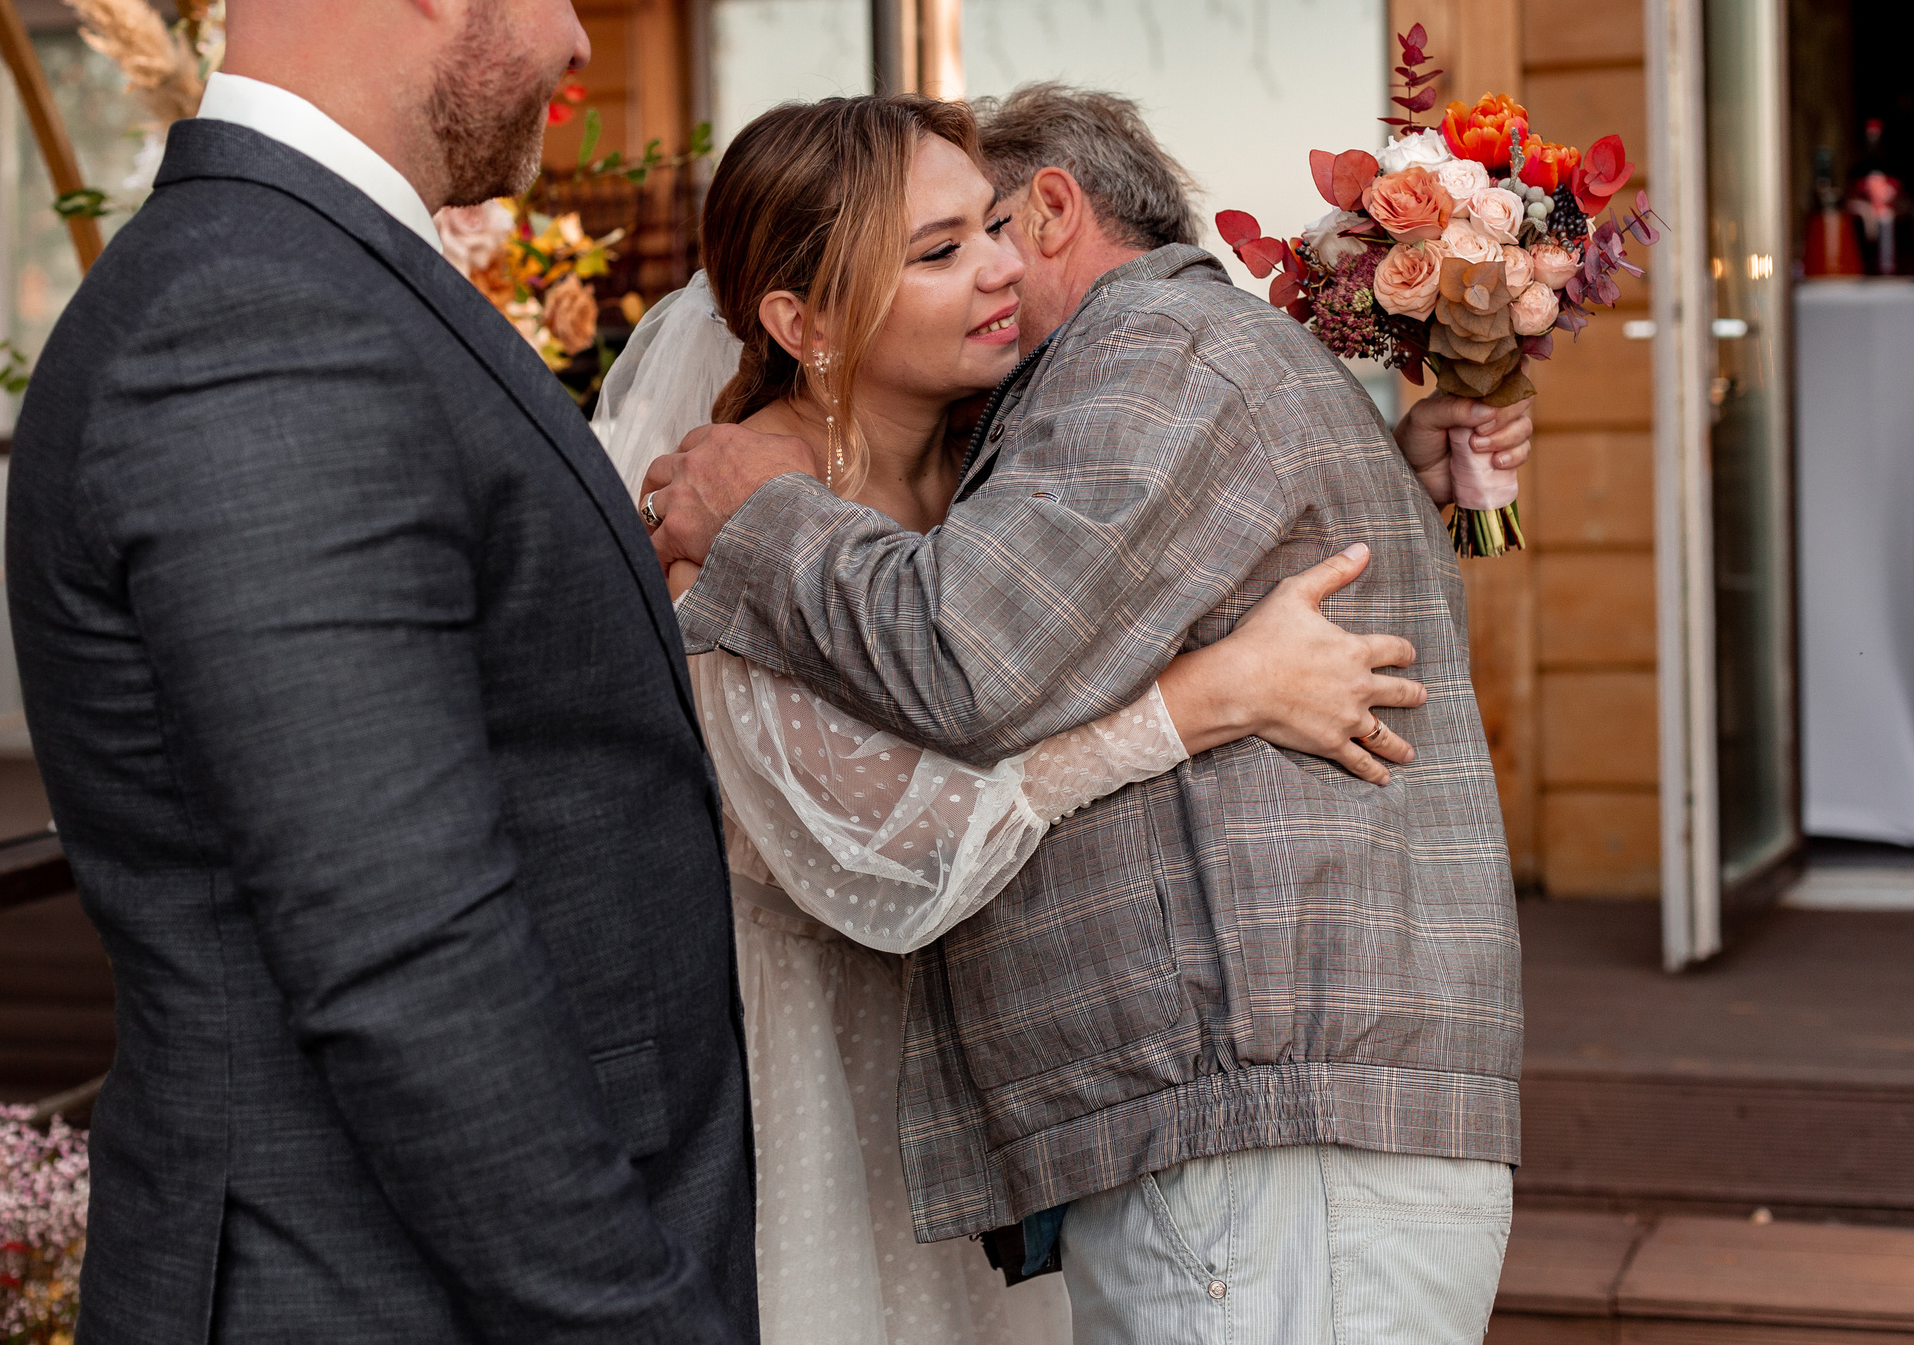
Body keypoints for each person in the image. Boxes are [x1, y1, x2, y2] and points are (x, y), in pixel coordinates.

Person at [4, 0, 758, 1343]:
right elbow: (406, 948)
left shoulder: (311, 279)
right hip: (369, 1289)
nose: (578, 37)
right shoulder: (255, 324)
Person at [640, 82, 1527, 1345]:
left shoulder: (1147, 353)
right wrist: (1206, 692)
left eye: (991, 230)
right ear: (805, 320)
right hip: (881, 1099)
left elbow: (970, 653)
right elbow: (928, 787)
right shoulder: (1029, 436)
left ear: (1052, 209)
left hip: (1255, 1129)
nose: (993, 270)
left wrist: (762, 517)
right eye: (945, 249)